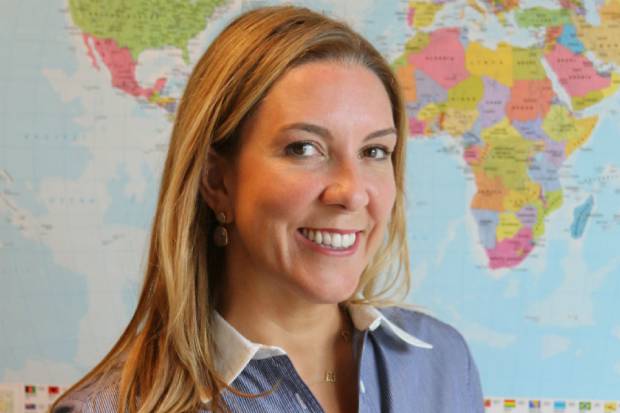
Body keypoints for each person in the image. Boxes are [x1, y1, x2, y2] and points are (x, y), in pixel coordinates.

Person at [52, 5, 484, 413]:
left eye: (374, 151)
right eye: (304, 148)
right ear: (217, 182)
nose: (352, 193)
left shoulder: (442, 365)